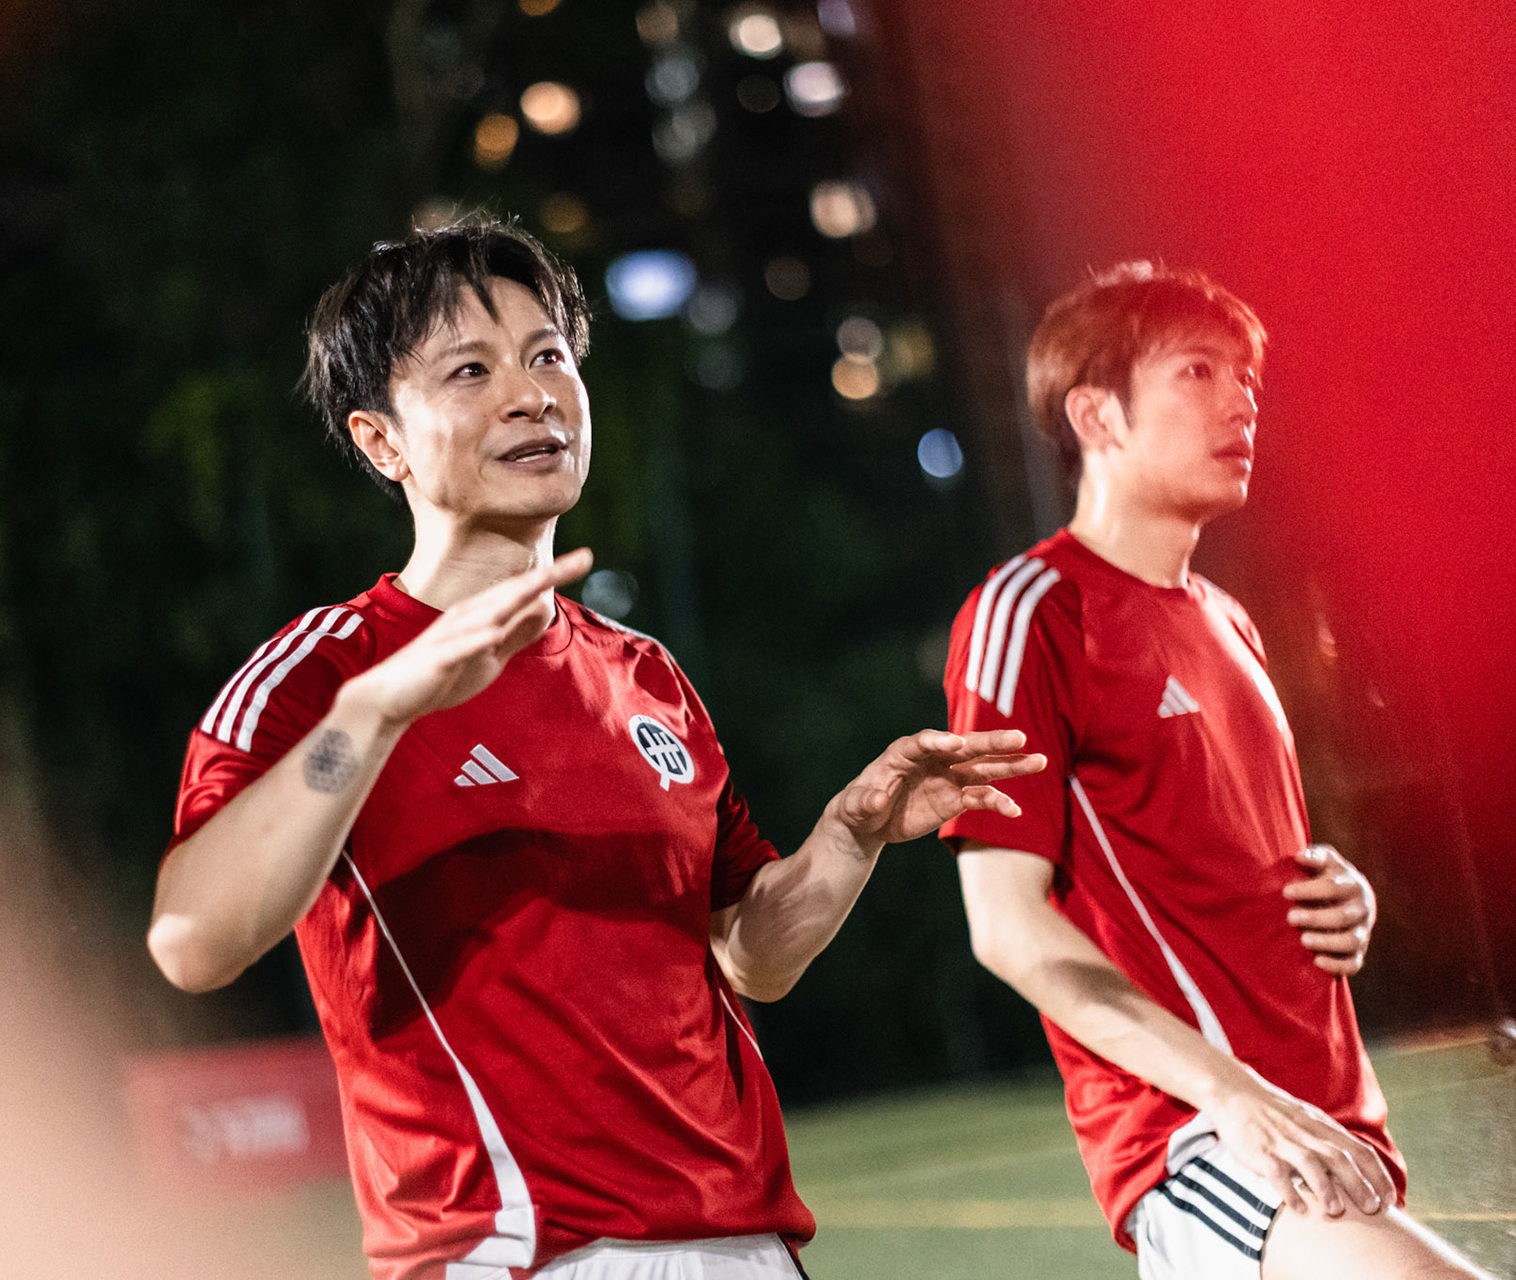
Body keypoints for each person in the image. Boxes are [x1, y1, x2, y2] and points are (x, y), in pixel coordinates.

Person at [149, 219, 1042, 1280]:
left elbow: (749, 956)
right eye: (471, 371)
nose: (531, 395)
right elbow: (192, 941)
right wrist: (373, 717)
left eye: (547, 357)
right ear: (382, 441)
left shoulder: (643, 673)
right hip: (516, 1254)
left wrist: (849, 838)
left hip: (746, 1248)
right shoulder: (325, 677)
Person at [942, 263, 1492, 1278]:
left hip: (1329, 1129)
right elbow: (1006, 925)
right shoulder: (1032, 612)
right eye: (1197, 371)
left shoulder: (1229, 622)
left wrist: (1341, 893)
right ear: (1096, 415)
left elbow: (1211, 857)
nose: (1241, 402)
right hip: (1202, 1139)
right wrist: (1233, 1095)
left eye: (1247, 379)